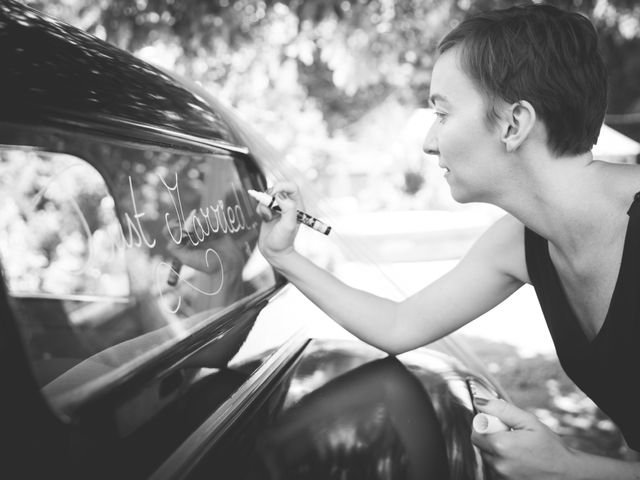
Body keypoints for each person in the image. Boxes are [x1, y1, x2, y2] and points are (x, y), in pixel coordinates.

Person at [256, 3, 640, 479]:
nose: (428, 142)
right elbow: (399, 324)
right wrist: (282, 255)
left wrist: (569, 467)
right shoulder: (522, 242)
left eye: (442, 113)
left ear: (512, 124)